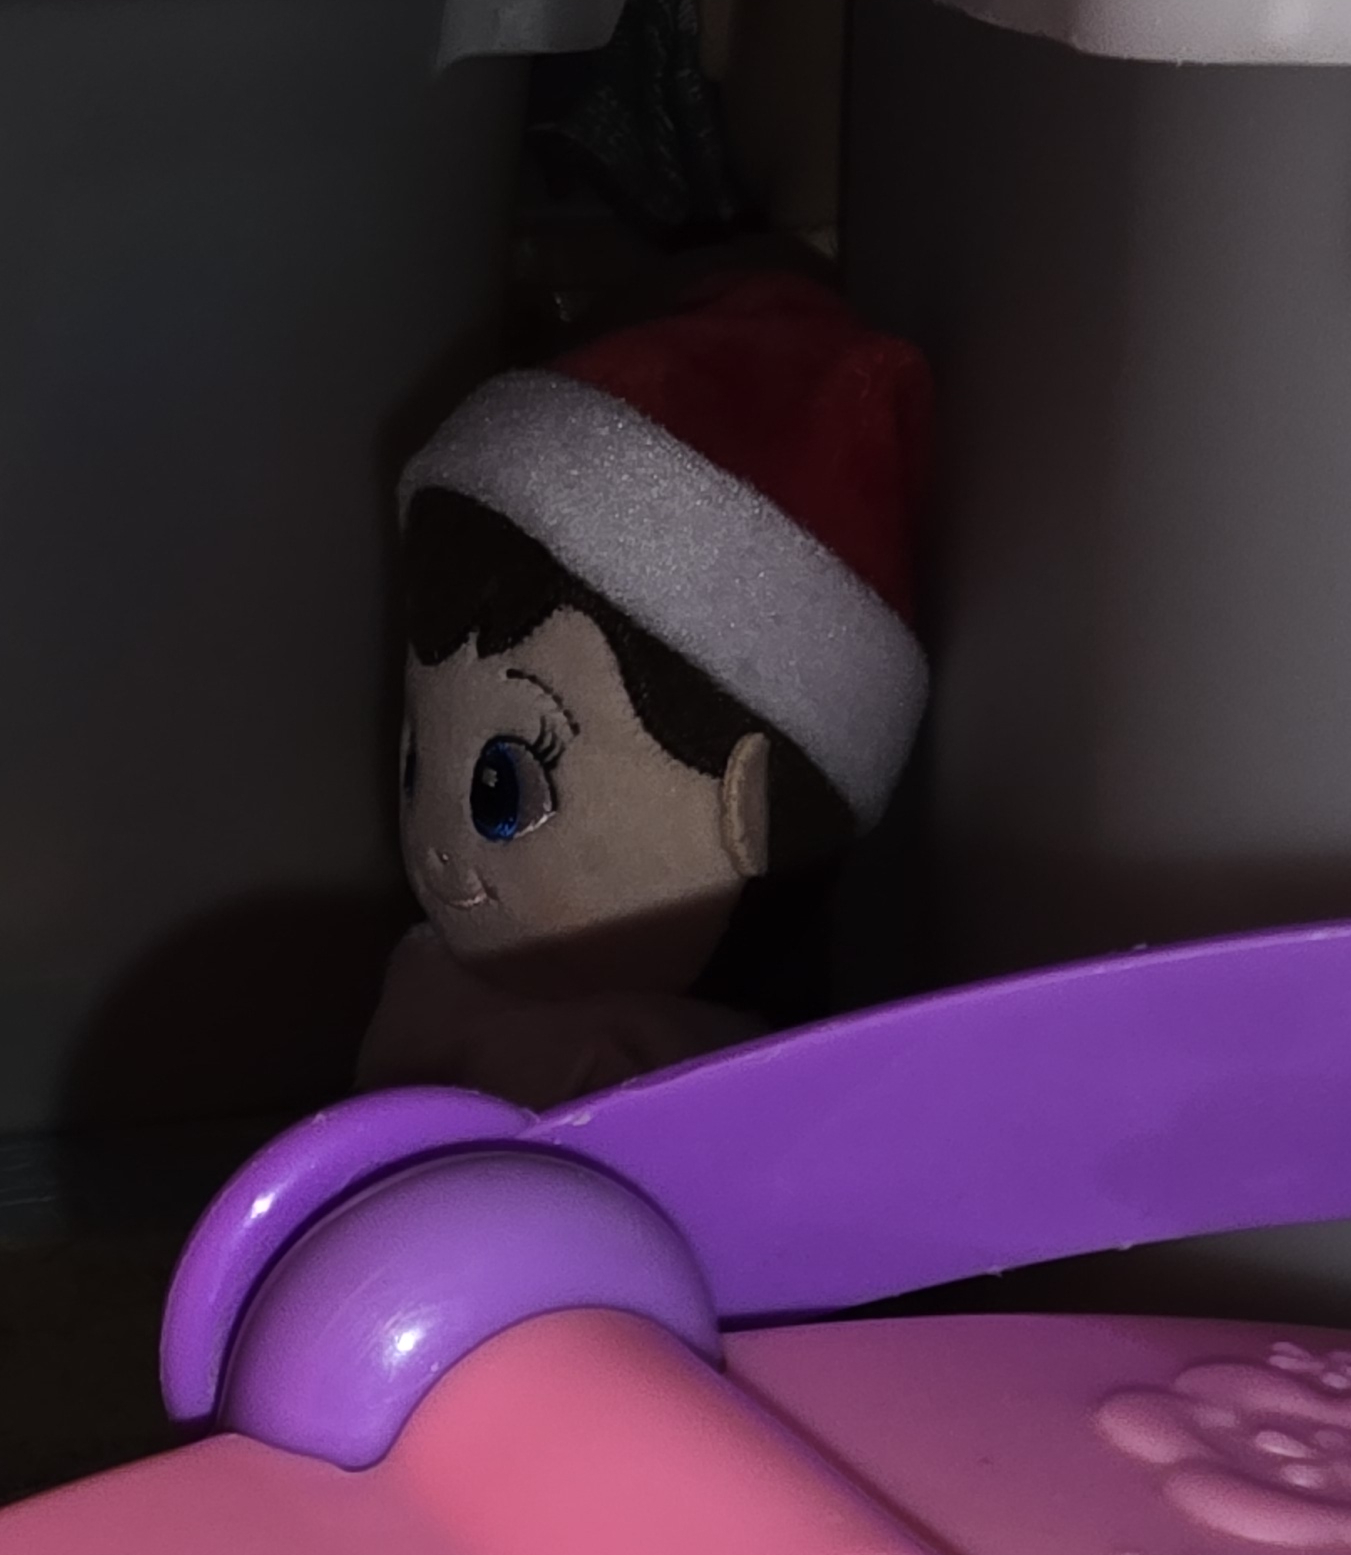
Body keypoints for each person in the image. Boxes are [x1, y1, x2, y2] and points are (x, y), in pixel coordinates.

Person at [359, 272, 933, 1110]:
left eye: (500, 790)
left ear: (745, 807)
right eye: (418, 765)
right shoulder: (429, 974)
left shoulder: (661, 1069)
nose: (440, 847)